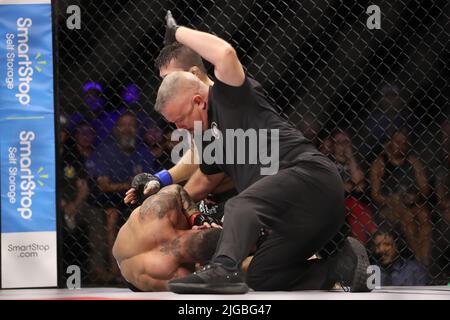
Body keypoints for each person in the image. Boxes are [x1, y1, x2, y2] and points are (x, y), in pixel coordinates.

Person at [136, 11, 372, 294]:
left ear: (198, 101)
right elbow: (198, 183)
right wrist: (158, 192)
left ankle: (223, 270)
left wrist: (176, 32)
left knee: (240, 204)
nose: (180, 129)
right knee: (262, 277)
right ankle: (340, 266)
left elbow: (224, 53)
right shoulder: (212, 139)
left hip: (313, 181)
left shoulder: (230, 96)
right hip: (294, 221)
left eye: (179, 120)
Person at [113, 184, 222, 291]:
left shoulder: (161, 212)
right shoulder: (174, 273)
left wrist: (196, 217)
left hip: (123, 248)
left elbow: (175, 188)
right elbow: (194, 283)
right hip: (131, 277)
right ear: (202, 262)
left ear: (199, 228)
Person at [370, 128, 432, 266]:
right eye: (397, 142)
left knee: (424, 216)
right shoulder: (380, 163)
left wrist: (415, 196)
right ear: (389, 143)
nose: (401, 145)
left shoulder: (413, 162)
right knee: (408, 218)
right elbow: (375, 194)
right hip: (389, 206)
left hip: (411, 203)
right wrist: (391, 199)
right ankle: (418, 261)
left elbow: (425, 188)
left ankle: (425, 259)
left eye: (404, 142)